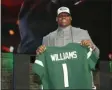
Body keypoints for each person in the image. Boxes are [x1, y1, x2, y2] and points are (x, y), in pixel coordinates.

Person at [36, 6, 100, 89]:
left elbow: (96, 55)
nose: (63, 17)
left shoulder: (82, 33)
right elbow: (44, 64)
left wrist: (92, 47)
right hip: (58, 85)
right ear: (56, 19)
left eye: (66, 15)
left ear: (71, 18)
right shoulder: (47, 38)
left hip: (80, 83)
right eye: (60, 15)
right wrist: (38, 53)